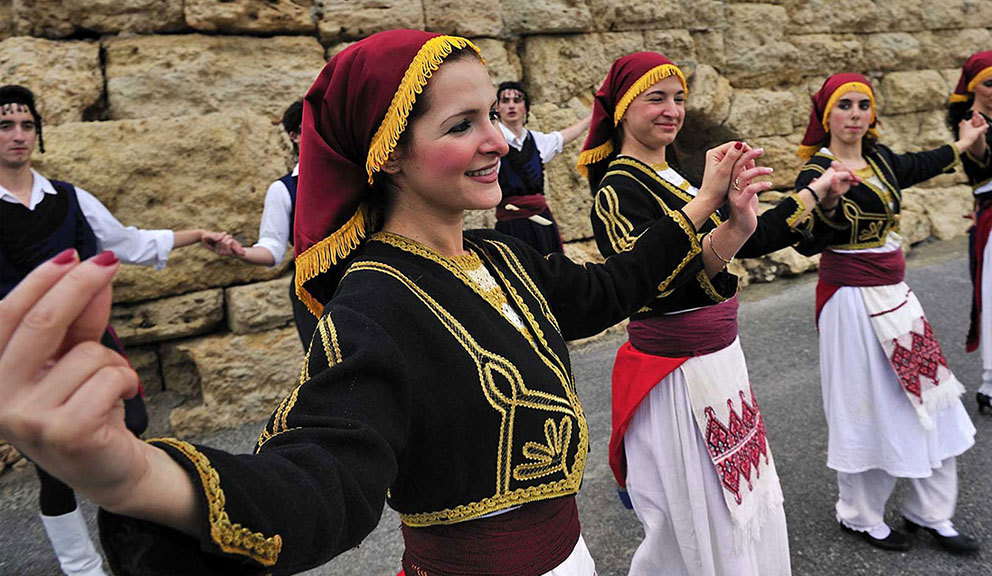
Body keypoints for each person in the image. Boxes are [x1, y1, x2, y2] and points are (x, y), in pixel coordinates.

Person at [0, 30, 763, 576]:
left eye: (492, 118)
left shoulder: (503, 254)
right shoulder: (375, 302)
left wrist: (707, 216)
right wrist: (137, 478)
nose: (497, 140)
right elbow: (324, 475)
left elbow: (609, 290)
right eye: (461, 125)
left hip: (574, 557)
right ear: (389, 149)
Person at [579, 52, 855, 576]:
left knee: (741, 498)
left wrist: (759, 212)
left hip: (719, 361)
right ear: (620, 109)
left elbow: (749, 240)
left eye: (679, 98)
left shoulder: (678, 179)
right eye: (655, 97)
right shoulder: (618, 189)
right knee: (698, 512)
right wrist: (712, 203)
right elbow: (650, 285)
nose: (671, 109)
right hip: (674, 371)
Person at [0, 84, 230, 576]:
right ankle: (83, 569)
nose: (18, 135)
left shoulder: (70, 198)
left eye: (26, 125)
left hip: (90, 344)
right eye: (5, 125)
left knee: (131, 437)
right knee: (54, 467)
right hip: (25, 357)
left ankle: (136, 552)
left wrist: (196, 236)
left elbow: (129, 242)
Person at [794, 72, 987, 554]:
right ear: (826, 115)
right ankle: (858, 514)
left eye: (863, 105)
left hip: (897, 297)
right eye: (845, 106)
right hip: (850, 302)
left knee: (933, 399)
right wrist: (829, 203)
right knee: (865, 407)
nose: (855, 114)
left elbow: (919, 164)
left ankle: (932, 512)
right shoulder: (813, 175)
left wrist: (962, 144)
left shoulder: (880, 158)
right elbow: (804, 239)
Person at [208, 100, 320, 350]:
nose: (317, 132)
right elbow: (271, 249)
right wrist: (240, 251)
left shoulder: (357, 175)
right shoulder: (283, 190)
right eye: (308, 127)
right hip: (314, 294)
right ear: (294, 136)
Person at [494, 81, 591, 255]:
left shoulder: (536, 140)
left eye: (517, 100)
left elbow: (562, 137)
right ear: (498, 108)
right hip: (511, 225)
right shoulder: (494, 143)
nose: (511, 105)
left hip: (542, 221)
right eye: (505, 100)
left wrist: (592, 118)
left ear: (525, 107)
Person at [949, 51, 992, 414]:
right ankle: (991, 384)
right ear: (974, 87)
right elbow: (980, 158)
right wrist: (976, 137)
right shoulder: (969, 121)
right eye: (989, 83)